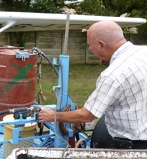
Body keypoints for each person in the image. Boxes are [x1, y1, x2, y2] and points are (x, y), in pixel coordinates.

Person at [38, 20, 147, 149]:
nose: (89, 49)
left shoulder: (113, 75)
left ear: (101, 45)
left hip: (133, 146)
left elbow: (87, 115)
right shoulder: (143, 51)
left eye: (90, 45)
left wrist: (53, 116)